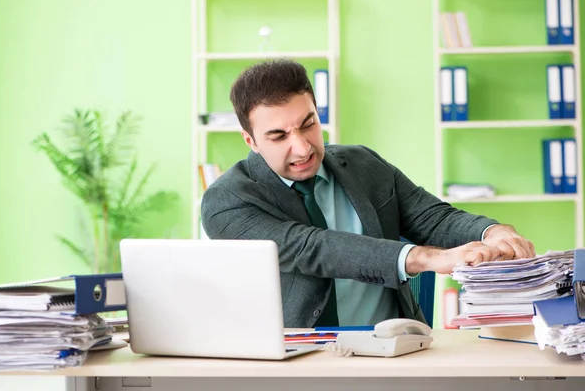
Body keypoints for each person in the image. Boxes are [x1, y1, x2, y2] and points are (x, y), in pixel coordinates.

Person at [201, 59, 536, 328]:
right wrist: (425, 258)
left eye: (308, 124)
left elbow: (432, 218)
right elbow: (313, 247)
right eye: (278, 136)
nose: (302, 147)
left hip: (393, 350)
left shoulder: (363, 164)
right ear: (251, 140)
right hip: (295, 364)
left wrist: (492, 232)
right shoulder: (226, 201)